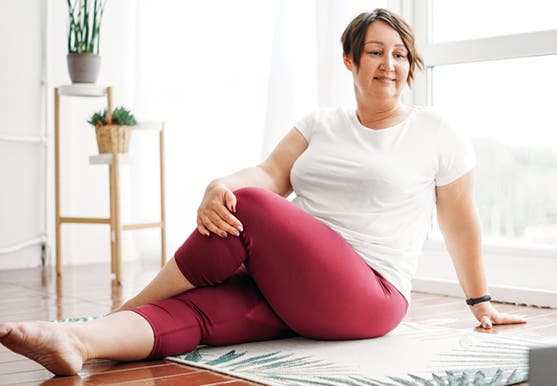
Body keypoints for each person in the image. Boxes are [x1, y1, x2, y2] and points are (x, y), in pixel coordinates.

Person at [0, 8, 525, 376]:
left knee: (247, 206)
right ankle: (79, 343)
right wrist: (217, 186)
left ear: (410, 66)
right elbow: (271, 173)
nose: (390, 64)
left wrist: (480, 301)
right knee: (199, 311)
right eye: (376, 52)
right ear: (350, 60)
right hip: (293, 286)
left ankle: (119, 311)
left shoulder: (436, 131)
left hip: (371, 295)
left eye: (400, 55)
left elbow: (460, 221)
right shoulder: (321, 123)